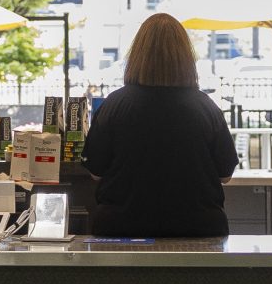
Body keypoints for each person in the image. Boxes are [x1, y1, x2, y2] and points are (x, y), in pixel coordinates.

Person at [80, 12, 238, 239]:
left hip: (121, 229)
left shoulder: (114, 105)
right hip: (198, 231)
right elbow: (225, 175)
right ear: (186, 57)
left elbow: (95, 171)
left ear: (137, 55)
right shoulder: (206, 107)